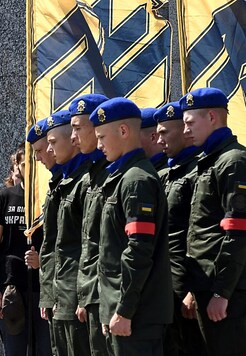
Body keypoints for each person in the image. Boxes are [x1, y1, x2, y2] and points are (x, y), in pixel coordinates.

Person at [91, 98, 173, 355]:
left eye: (102, 137)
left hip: (137, 315)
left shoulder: (136, 180)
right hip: (124, 311)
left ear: (124, 131)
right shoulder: (123, 178)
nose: (99, 145)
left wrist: (124, 310)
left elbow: (138, 252)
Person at [180, 87, 246, 355]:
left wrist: (222, 292)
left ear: (212, 117)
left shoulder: (233, 161)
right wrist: (196, 290)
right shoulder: (211, 161)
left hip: (230, 295)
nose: (185, 131)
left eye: (189, 123)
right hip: (207, 288)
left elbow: (238, 232)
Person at [0, 143, 51, 356]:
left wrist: (43, 261)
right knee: (14, 351)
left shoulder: (50, 195)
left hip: (44, 288)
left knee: (46, 350)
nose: (28, 168)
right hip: (12, 289)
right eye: (24, 164)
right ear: (17, 166)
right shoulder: (5, 198)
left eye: (32, 162)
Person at [154, 102, 206, 356]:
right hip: (168, 285)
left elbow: (199, 234)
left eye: (165, 133)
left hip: (188, 286)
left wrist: (193, 290)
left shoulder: (198, 172)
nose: (159, 139)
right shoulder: (167, 173)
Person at [45, 110, 92, 355]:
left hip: (77, 290)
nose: (48, 152)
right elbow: (52, 246)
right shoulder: (63, 182)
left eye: (52, 143)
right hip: (61, 290)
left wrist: (83, 298)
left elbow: (88, 244)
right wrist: (47, 295)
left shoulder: (86, 181)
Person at [69, 93, 110, 356]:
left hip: (108, 296)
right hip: (91, 294)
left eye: (77, 128)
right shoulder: (92, 174)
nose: (74, 137)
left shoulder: (113, 175)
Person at [28, 116, 61, 356]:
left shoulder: (76, 184)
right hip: (60, 293)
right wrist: (47, 295)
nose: (40, 156)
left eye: (43, 148)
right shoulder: (57, 185)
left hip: (75, 295)